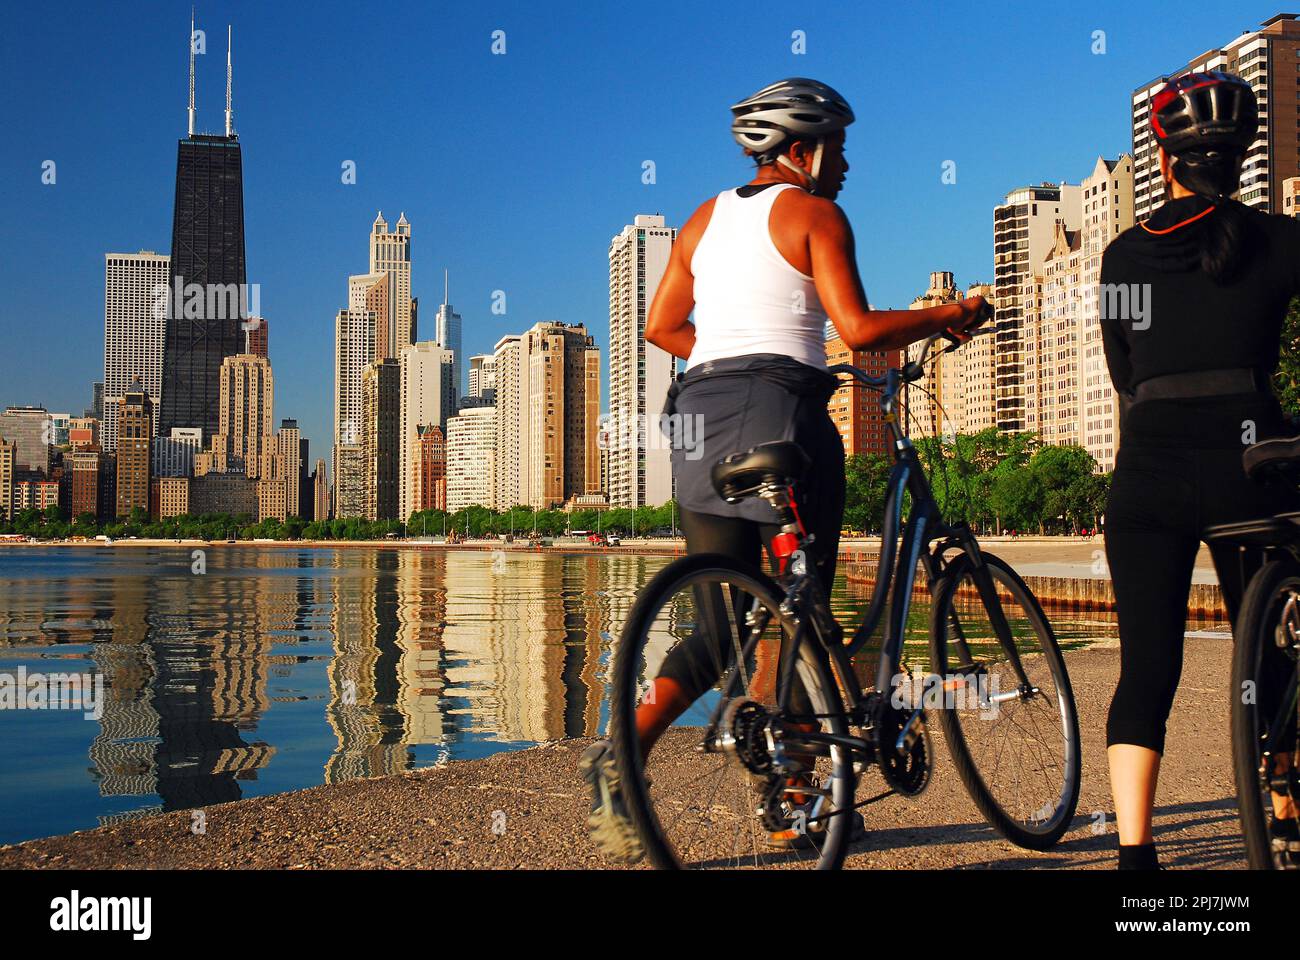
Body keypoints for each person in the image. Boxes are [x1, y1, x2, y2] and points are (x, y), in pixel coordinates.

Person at [579, 78, 988, 862]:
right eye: (838, 147)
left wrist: (727, 353)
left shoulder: (704, 217)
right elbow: (861, 327)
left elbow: (662, 324)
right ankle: (794, 800)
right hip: (783, 413)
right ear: (803, 149)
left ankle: (618, 757)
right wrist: (950, 314)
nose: (846, 166)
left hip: (698, 419)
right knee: (802, 611)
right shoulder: (816, 214)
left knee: (723, 619)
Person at [1101, 71, 1300, 869]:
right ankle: (1283, 795)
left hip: (1147, 475)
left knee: (1147, 665)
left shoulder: (1121, 255)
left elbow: (1124, 377)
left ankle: (1135, 856)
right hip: (1251, 463)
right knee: (1277, 650)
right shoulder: (1282, 239)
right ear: (1244, 156)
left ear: (1164, 154)